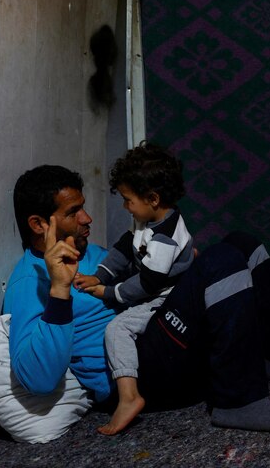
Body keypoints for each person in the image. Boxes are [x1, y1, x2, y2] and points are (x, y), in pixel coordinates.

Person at [3, 163, 270, 438]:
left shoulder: (91, 253)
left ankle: (265, 358)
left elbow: (149, 278)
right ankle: (239, 402)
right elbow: (38, 380)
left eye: (83, 207)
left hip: (158, 336)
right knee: (221, 259)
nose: (88, 218)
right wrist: (60, 291)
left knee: (243, 245)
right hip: (136, 377)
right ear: (39, 224)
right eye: (73, 212)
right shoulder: (29, 282)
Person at [73, 143, 195, 435]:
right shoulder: (147, 219)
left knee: (117, 329)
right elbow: (124, 249)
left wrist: (108, 292)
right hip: (154, 290)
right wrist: (100, 276)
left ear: (152, 198)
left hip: (167, 299)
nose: (125, 206)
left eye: (128, 200)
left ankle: (129, 396)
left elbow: (149, 282)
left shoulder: (166, 236)